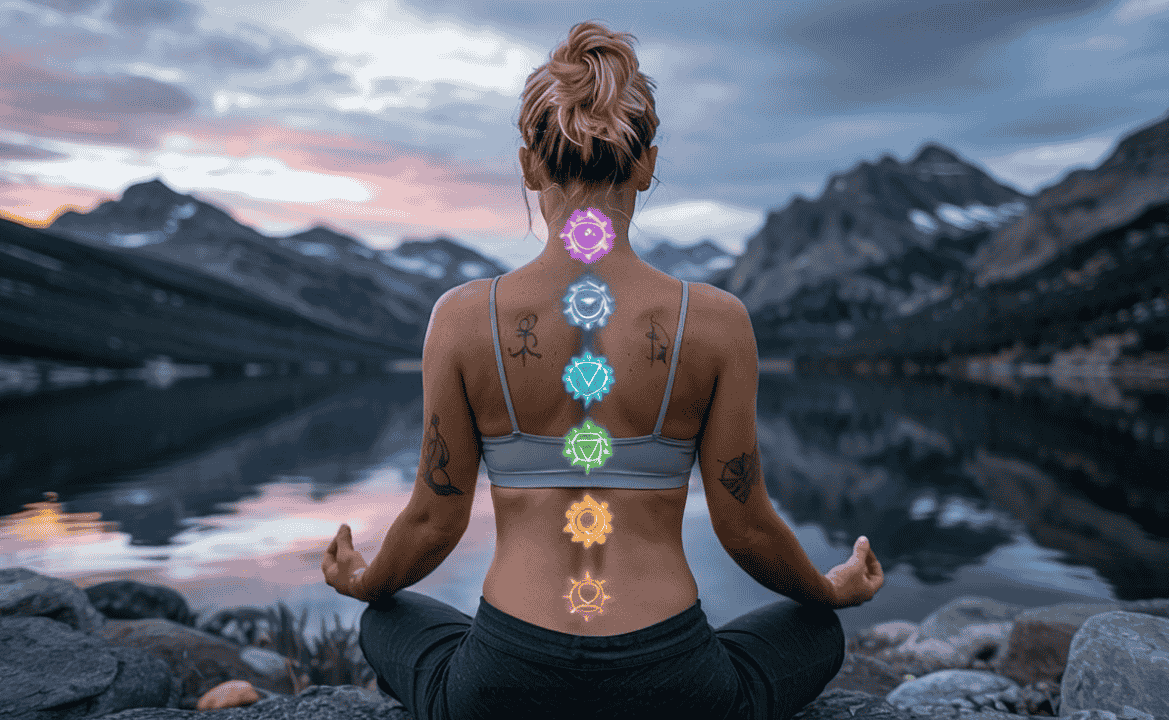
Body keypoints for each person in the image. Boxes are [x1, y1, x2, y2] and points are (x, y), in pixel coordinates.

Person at [321, 19, 884, 720]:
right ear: (646, 164)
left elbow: (435, 521)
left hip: (506, 679)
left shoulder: (461, 318)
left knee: (386, 618)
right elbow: (746, 528)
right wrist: (831, 591)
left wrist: (365, 579)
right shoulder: (716, 322)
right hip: (671, 680)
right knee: (813, 632)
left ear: (529, 164)